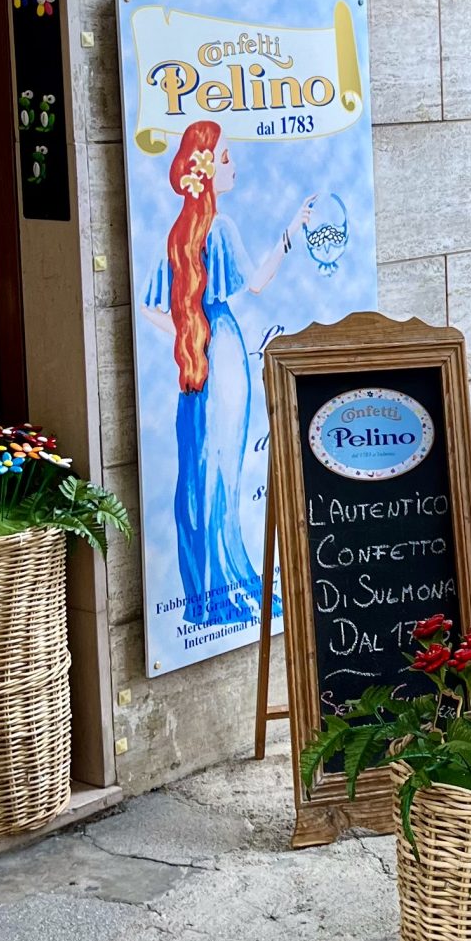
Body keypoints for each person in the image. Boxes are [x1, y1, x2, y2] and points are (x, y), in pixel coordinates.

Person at [139, 120, 312, 629]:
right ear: (209, 168)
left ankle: (204, 594)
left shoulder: (181, 233)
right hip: (226, 356)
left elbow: (153, 307)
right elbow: (256, 284)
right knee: (221, 475)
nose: (236, 166)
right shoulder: (220, 229)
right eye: (229, 158)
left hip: (199, 359)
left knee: (198, 472)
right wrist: (290, 232)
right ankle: (228, 589)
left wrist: (187, 331)